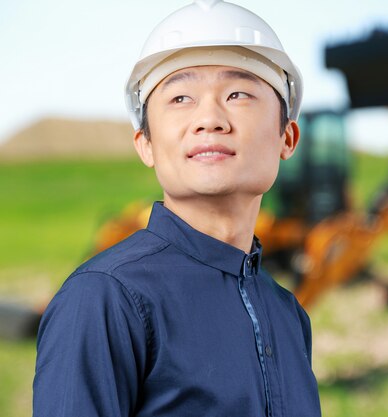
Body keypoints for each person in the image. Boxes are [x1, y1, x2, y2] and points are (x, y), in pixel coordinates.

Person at [33, 1, 321, 416]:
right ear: (145, 145)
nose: (210, 118)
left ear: (287, 138)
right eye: (181, 97)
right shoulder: (102, 299)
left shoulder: (288, 313)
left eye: (238, 93)